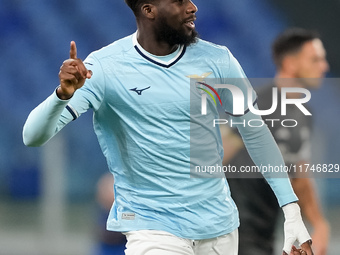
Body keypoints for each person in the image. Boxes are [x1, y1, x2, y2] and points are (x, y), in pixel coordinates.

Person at [23, 1, 313, 254]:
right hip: (153, 228)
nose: (192, 7)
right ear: (149, 10)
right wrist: (62, 95)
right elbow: (32, 136)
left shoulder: (218, 60)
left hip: (220, 227)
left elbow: (255, 132)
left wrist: (291, 209)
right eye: (178, 1)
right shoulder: (104, 68)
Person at [224, 28, 330, 255]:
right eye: (315, 59)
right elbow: (218, 156)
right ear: (291, 63)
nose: (324, 66)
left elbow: (299, 175)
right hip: (236, 234)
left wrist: (319, 224)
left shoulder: (303, 114)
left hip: (267, 233)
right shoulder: (259, 104)